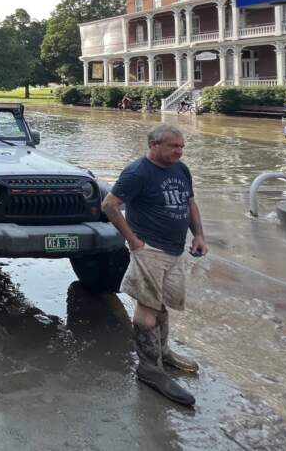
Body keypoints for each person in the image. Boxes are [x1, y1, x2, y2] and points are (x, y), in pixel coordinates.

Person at [102, 123, 208, 407]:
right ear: (154, 144)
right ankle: (150, 369)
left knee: (163, 302)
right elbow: (109, 205)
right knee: (148, 306)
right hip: (150, 249)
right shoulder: (137, 172)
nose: (179, 151)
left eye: (182, 146)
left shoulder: (181, 169)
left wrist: (198, 234)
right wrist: (134, 242)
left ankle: (163, 352)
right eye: (174, 146)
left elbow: (189, 202)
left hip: (175, 250)